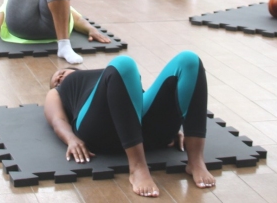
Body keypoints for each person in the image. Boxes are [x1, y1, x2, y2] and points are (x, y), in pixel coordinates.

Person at [45, 52, 216, 197]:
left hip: (143, 128)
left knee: (189, 60)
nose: (59, 78)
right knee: (123, 63)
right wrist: (70, 138)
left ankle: (195, 162)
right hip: (99, 130)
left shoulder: (107, 73)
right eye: (55, 80)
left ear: (76, 70)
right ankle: (137, 168)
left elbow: (144, 100)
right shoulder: (59, 91)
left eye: (61, 72)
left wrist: (174, 122)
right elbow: (57, 120)